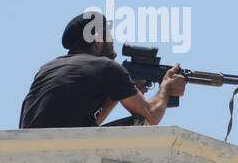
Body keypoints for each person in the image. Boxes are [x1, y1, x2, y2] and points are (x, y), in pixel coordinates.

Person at [19, 11, 187, 129]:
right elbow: (151, 116)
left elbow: (87, 125)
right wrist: (166, 88)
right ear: (98, 42)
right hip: (65, 146)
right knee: (141, 123)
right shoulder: (107, 67)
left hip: (31, 148)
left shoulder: (47, 69)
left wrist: (115, 94)